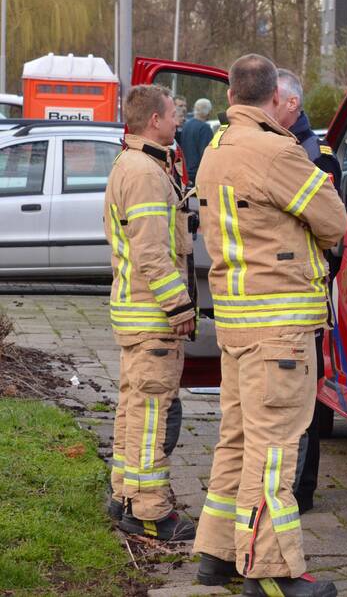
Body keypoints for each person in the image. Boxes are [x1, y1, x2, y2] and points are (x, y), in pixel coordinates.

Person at [192, 54, 346, 597]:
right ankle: (271, 572)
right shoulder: (277, 150)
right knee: (274, 448)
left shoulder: (215, 148)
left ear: (232, 92)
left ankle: (216, 553)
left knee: (234, 442)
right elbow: (333, 220)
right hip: (278, 325)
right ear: (271, 95)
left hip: (236, 322)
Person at [105, 84, 197, 542]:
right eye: (172, 113)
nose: (178, 120)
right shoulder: (144, 172)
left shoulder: (137, 162)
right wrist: (178, 304)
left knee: (132, 410)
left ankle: (124, 494)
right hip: (151, 317)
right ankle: (148, 511)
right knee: (150, 418)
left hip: (135, 313)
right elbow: (151, 253)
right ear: (154, 121)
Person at [275, 68, 345, 516]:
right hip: (282, 294)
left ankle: (302, 488)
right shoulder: (278, 149)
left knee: (305, 401)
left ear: (293, 105)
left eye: (273, 101)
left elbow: (332, 236)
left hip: (304, 292)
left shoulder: (315, 156)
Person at [179, 98, 215, 184]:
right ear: (207, 112)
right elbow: (206, 154)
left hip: (185, 173)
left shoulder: (186, 125)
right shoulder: (205, 128)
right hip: (198, 175)